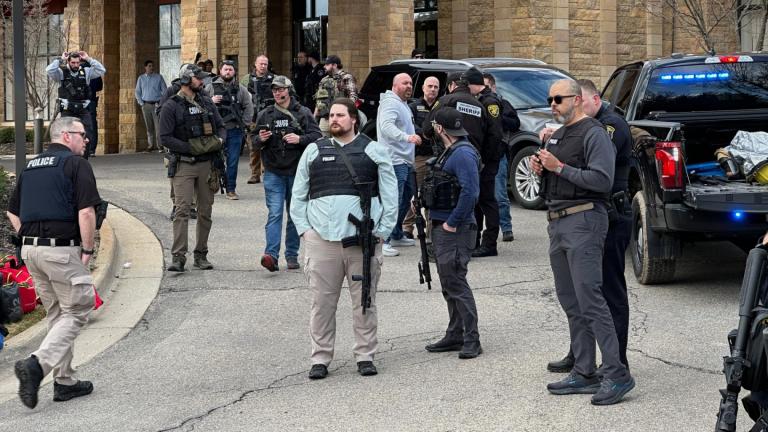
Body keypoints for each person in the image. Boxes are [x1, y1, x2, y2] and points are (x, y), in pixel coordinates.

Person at [530, 79, 634, 405]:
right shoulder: (559, 134)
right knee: (570, 300)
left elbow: (602, 180)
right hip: (558, 222)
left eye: (558, 99)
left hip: (585, 220)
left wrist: (558, 167)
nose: (553, 104)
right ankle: (584, 369)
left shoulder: (595, 132)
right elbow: (557, 176)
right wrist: (541, 170)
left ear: (576, 99)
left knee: (591, 299)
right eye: (550, 99)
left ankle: (617, 374)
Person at [290, 98, 397, 379]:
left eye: (339, 115)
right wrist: (305, 231)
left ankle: (365, 355)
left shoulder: (374, 152)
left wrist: (382, 233)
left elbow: (390, 197)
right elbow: (298, 196)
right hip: (321, 242)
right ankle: (321, 358)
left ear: (354, 119)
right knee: (322, 304)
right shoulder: (313, 151)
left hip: (362, 242)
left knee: (364, 301)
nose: (333, 119)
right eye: (331, 115)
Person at [7, 117, 102, 409]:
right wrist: (87, 249)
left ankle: (65, 382)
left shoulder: (30, 168)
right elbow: (86, 212)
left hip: (32, 253)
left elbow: (12, 213)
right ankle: (36, 365)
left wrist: (31, 239)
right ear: (65, 135)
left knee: (59, 313)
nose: (86, 140)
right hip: (62, 252)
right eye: (82, 135)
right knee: (79, 309)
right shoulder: (76, 165)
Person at [422, 107, 482, 359]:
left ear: (439, 129)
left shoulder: (463, 154)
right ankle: (455, 333)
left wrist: (452, 223)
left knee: (456, 281)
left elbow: (470, 192)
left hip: (454, 229)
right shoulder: (451, 152)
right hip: (442, 225)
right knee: (449, 283)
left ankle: (471, 339)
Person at [159, 64, 226, 272]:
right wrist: (190, 148)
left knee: (206, 211)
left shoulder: (206, 102)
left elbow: (221, 126)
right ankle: (178, 257)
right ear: (188, 80)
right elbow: (165, 137)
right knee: (182, 210)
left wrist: (220, 142)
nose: (202, 81)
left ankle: (201, 254)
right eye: (198, 78)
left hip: (207, 164)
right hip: (183, 164)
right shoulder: (172, 105)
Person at [254, 76, 321, 271]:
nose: (277, 93)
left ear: (289, 91)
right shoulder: (265, 114)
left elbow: (317, 137)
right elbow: (253, 141)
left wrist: (299, 139)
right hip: (273, 172)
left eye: (281, 90)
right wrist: (260, 138)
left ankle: (292, 255)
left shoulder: (303, 113)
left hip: (297, 173)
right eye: (274, 90)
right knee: (275, 213)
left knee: (294, 215)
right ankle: (271, 256)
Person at [376, 73, 420, 257]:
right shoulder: (390, 103)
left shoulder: (402, 104)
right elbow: (386, 127)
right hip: (394, 160)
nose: (409, 86)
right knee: (392, 200)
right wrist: (406, 137)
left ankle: (396, 234)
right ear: (395, 86)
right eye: (405, 83)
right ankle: (383, 240)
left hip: (406, 160)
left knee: (406, 197)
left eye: (410, 83)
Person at [464, 67, 504, 258]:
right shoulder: (479, 100)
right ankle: (475, 240)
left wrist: (484, 160)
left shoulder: (490, 102)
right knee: (478, 201)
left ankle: (490, 243)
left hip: (488, 160)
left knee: (487, 200)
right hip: (482, 159)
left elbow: (495, 134)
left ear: (472, 84)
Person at [205, 60, 254, 200]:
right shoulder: (210, 88)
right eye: (225, 69)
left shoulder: (241, 89)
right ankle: (212, 185)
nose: (228, 72)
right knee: (213, 160)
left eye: (230, 69)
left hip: (234, 130)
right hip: (215, 131)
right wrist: (211, 101)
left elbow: (249, 107)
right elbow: (200, 104)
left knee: (232, 161)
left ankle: (230, 189)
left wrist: (244, 124)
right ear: (220, 71)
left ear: (234, 72)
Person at [46, 51, 106, 160]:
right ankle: (67, 159)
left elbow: (101, 70)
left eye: (78, 63)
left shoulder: (86, 72)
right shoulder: (61, 73)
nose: (75, 65)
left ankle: (84, 160)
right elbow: (49, 70)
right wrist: (61, 59)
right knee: (66, 135)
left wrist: (88, 59)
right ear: (68, 61)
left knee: (87, 134)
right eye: (73, 63)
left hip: (83, 109)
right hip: (67, 109)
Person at [483, 73, 520, 243]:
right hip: (480, 155)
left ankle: (506, 228)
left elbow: (515, 123)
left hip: (498, 154)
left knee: (499, 194)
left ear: (493, 87)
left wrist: (496, 118)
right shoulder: (477, 103)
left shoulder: (502, 103)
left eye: (487, 87)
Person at [403, 76, 440, 239]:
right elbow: (410, 126)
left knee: (433, 193)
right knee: (414, 192)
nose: (433, 89)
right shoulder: (413, 107)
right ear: (423, 88)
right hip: (419, 155)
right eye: (430, 86)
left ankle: (431, 229)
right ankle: (407, 227)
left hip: (437, 156)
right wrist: (425, 133)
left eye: (436, 87)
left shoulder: (442, 106)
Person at [243, 55, 274, 184]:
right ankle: (255, 174)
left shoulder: (274, 79)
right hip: (254, 117)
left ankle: (267, 171)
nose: (263, 66)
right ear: (255, 64)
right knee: (254, 146)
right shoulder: (247, 79)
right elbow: (242, 96)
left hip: (269, 117)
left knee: (270, 144)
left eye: (265, 64)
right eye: (260, 64)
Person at [314, 55, 358, 137]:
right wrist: (314, 118)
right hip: (325, 118)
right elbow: (318, 101)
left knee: (341, 142)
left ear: (334, 65)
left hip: (341, 117)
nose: (324, 66)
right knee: (323, 144)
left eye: (327, 64)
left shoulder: (346, 77)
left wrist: (347, 114)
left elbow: (353, 97)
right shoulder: (324, 80)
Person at [135, 60, 168, 152]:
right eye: (149, 66)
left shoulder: (158, 77)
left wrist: (161, 103)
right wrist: (141, 103)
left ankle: (160, 145)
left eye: (152, 66)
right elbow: (137, 92)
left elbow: (165, 91)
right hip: (146, 105)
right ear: (145, 67)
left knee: (158, 126)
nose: (151, 67)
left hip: (157, 105)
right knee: (149, 126)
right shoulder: (141, 78)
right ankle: (150, 146)